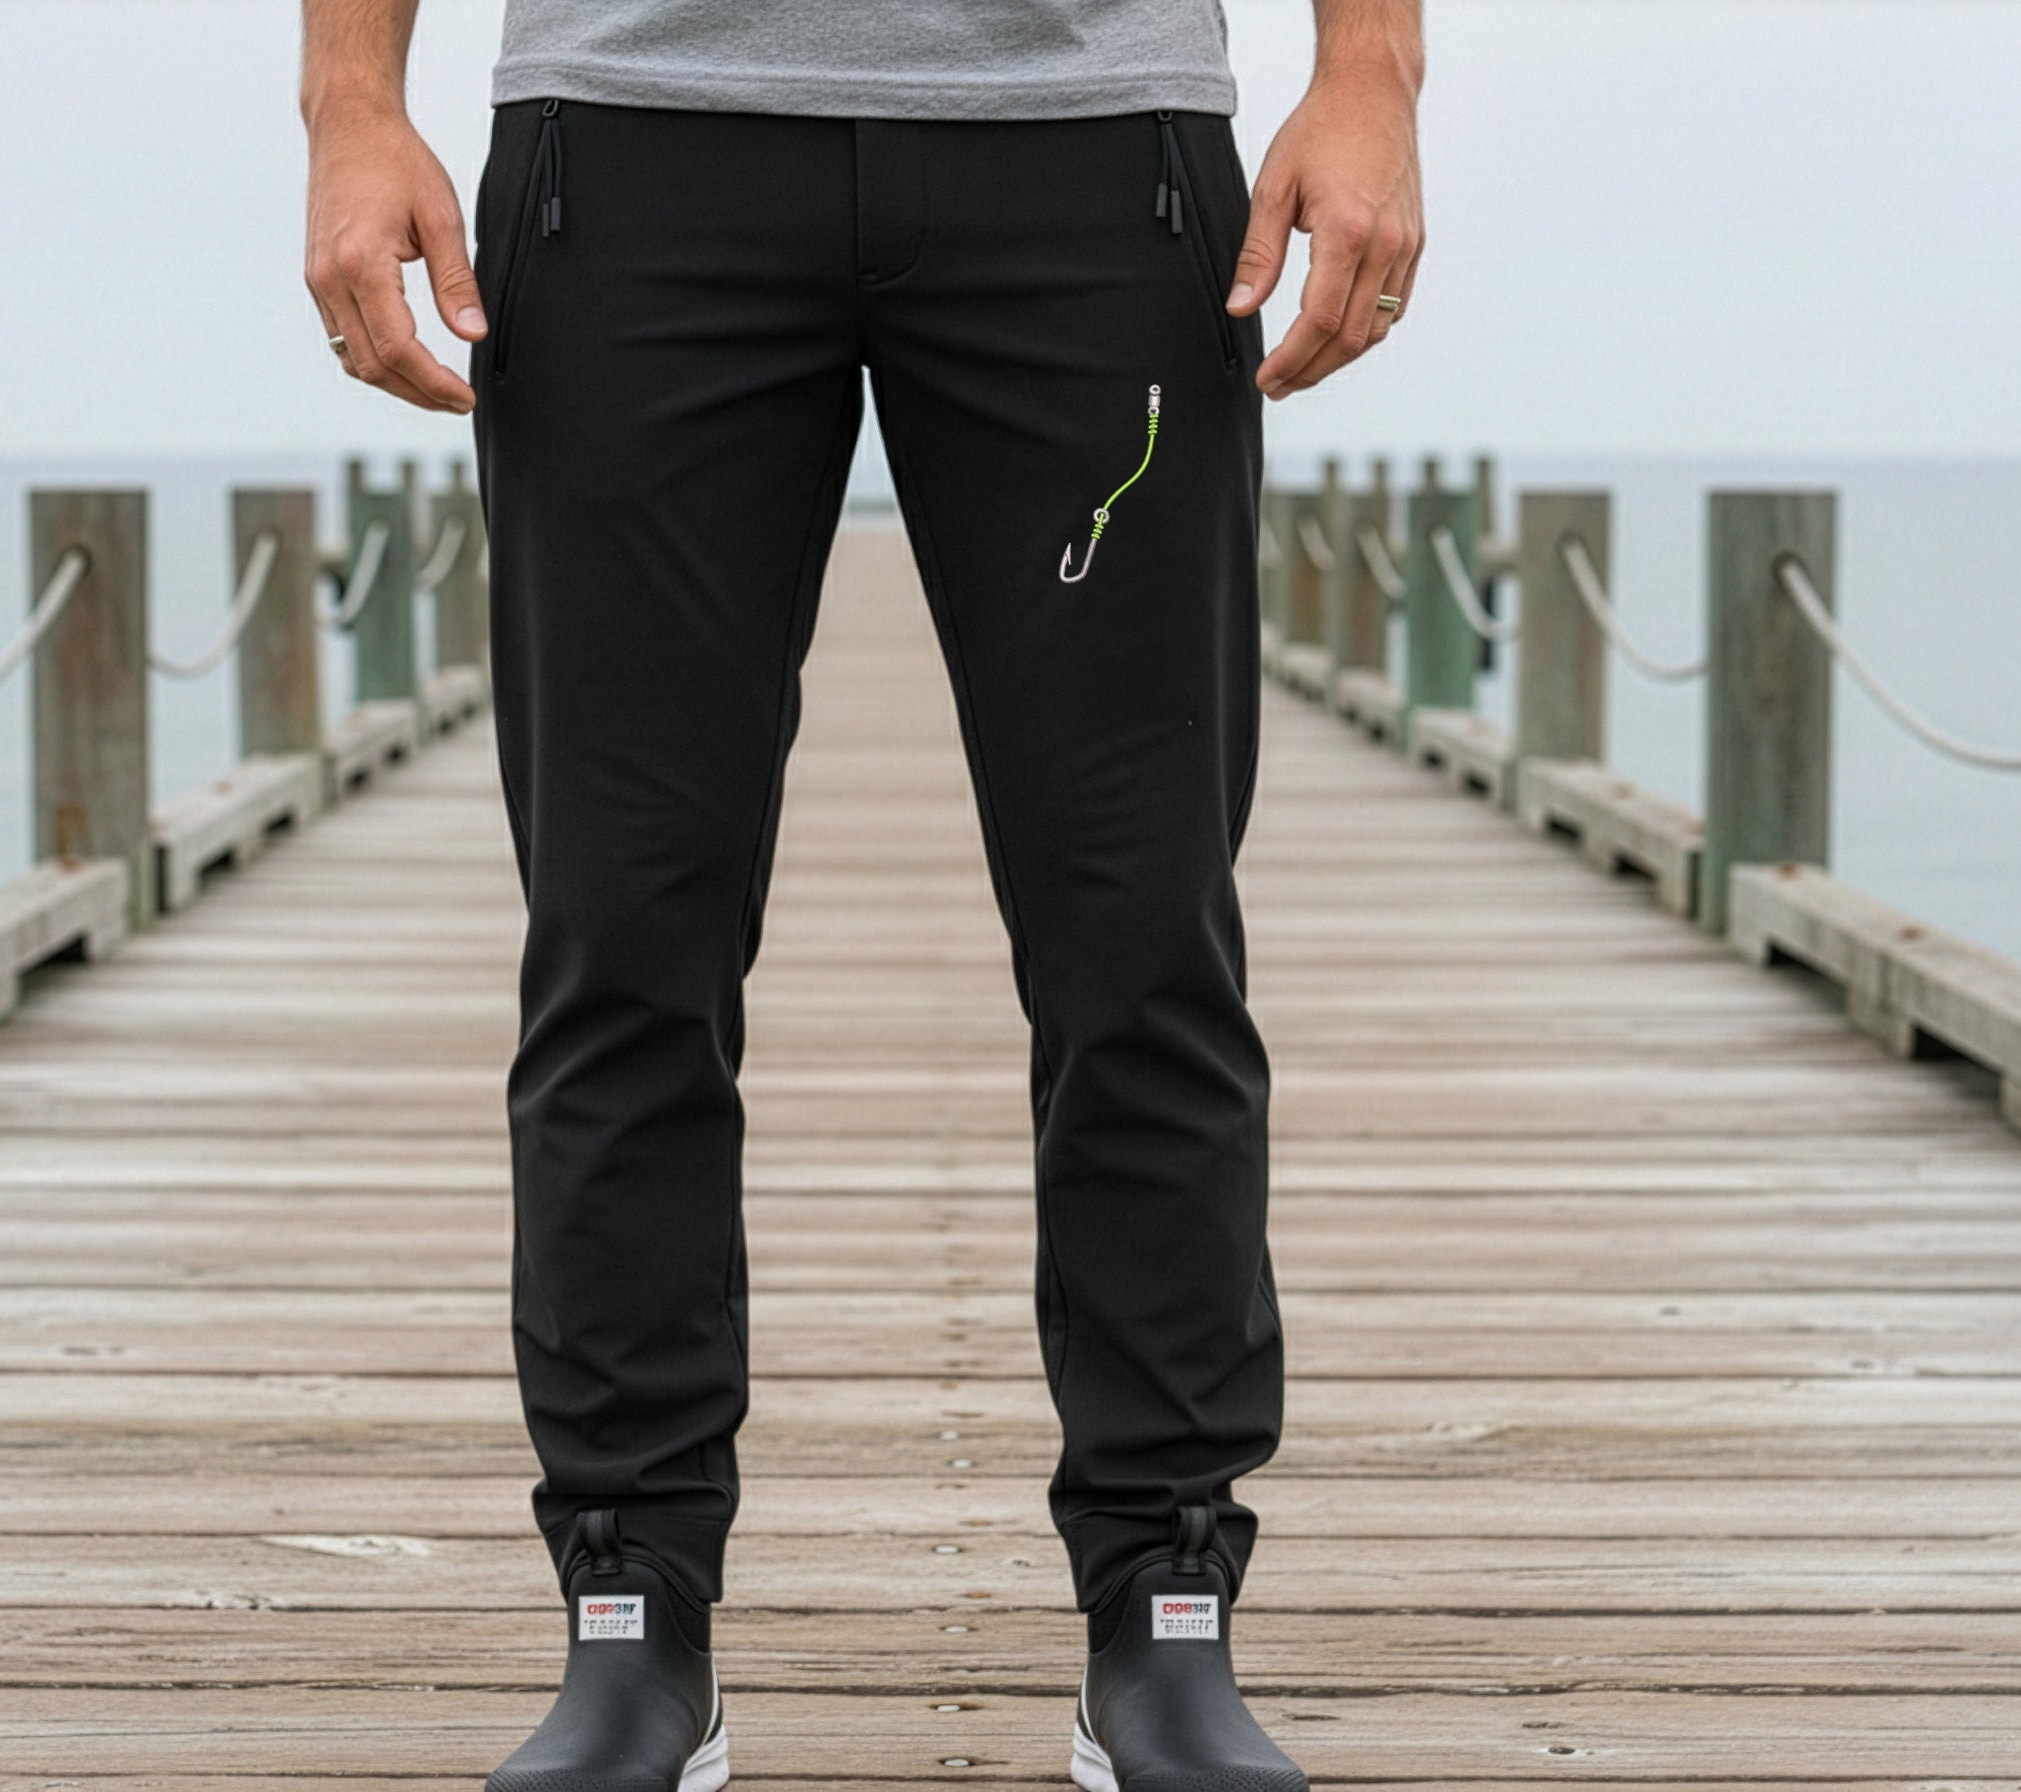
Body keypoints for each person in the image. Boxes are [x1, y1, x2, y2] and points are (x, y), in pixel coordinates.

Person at [300, 2, 1423, 1785]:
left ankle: (1165, 1600)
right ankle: (632, 1606)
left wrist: (1371, 74)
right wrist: (349, 102)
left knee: (1141, 940)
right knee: (625, 938)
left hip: (1090, 150)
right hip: (635, 142)